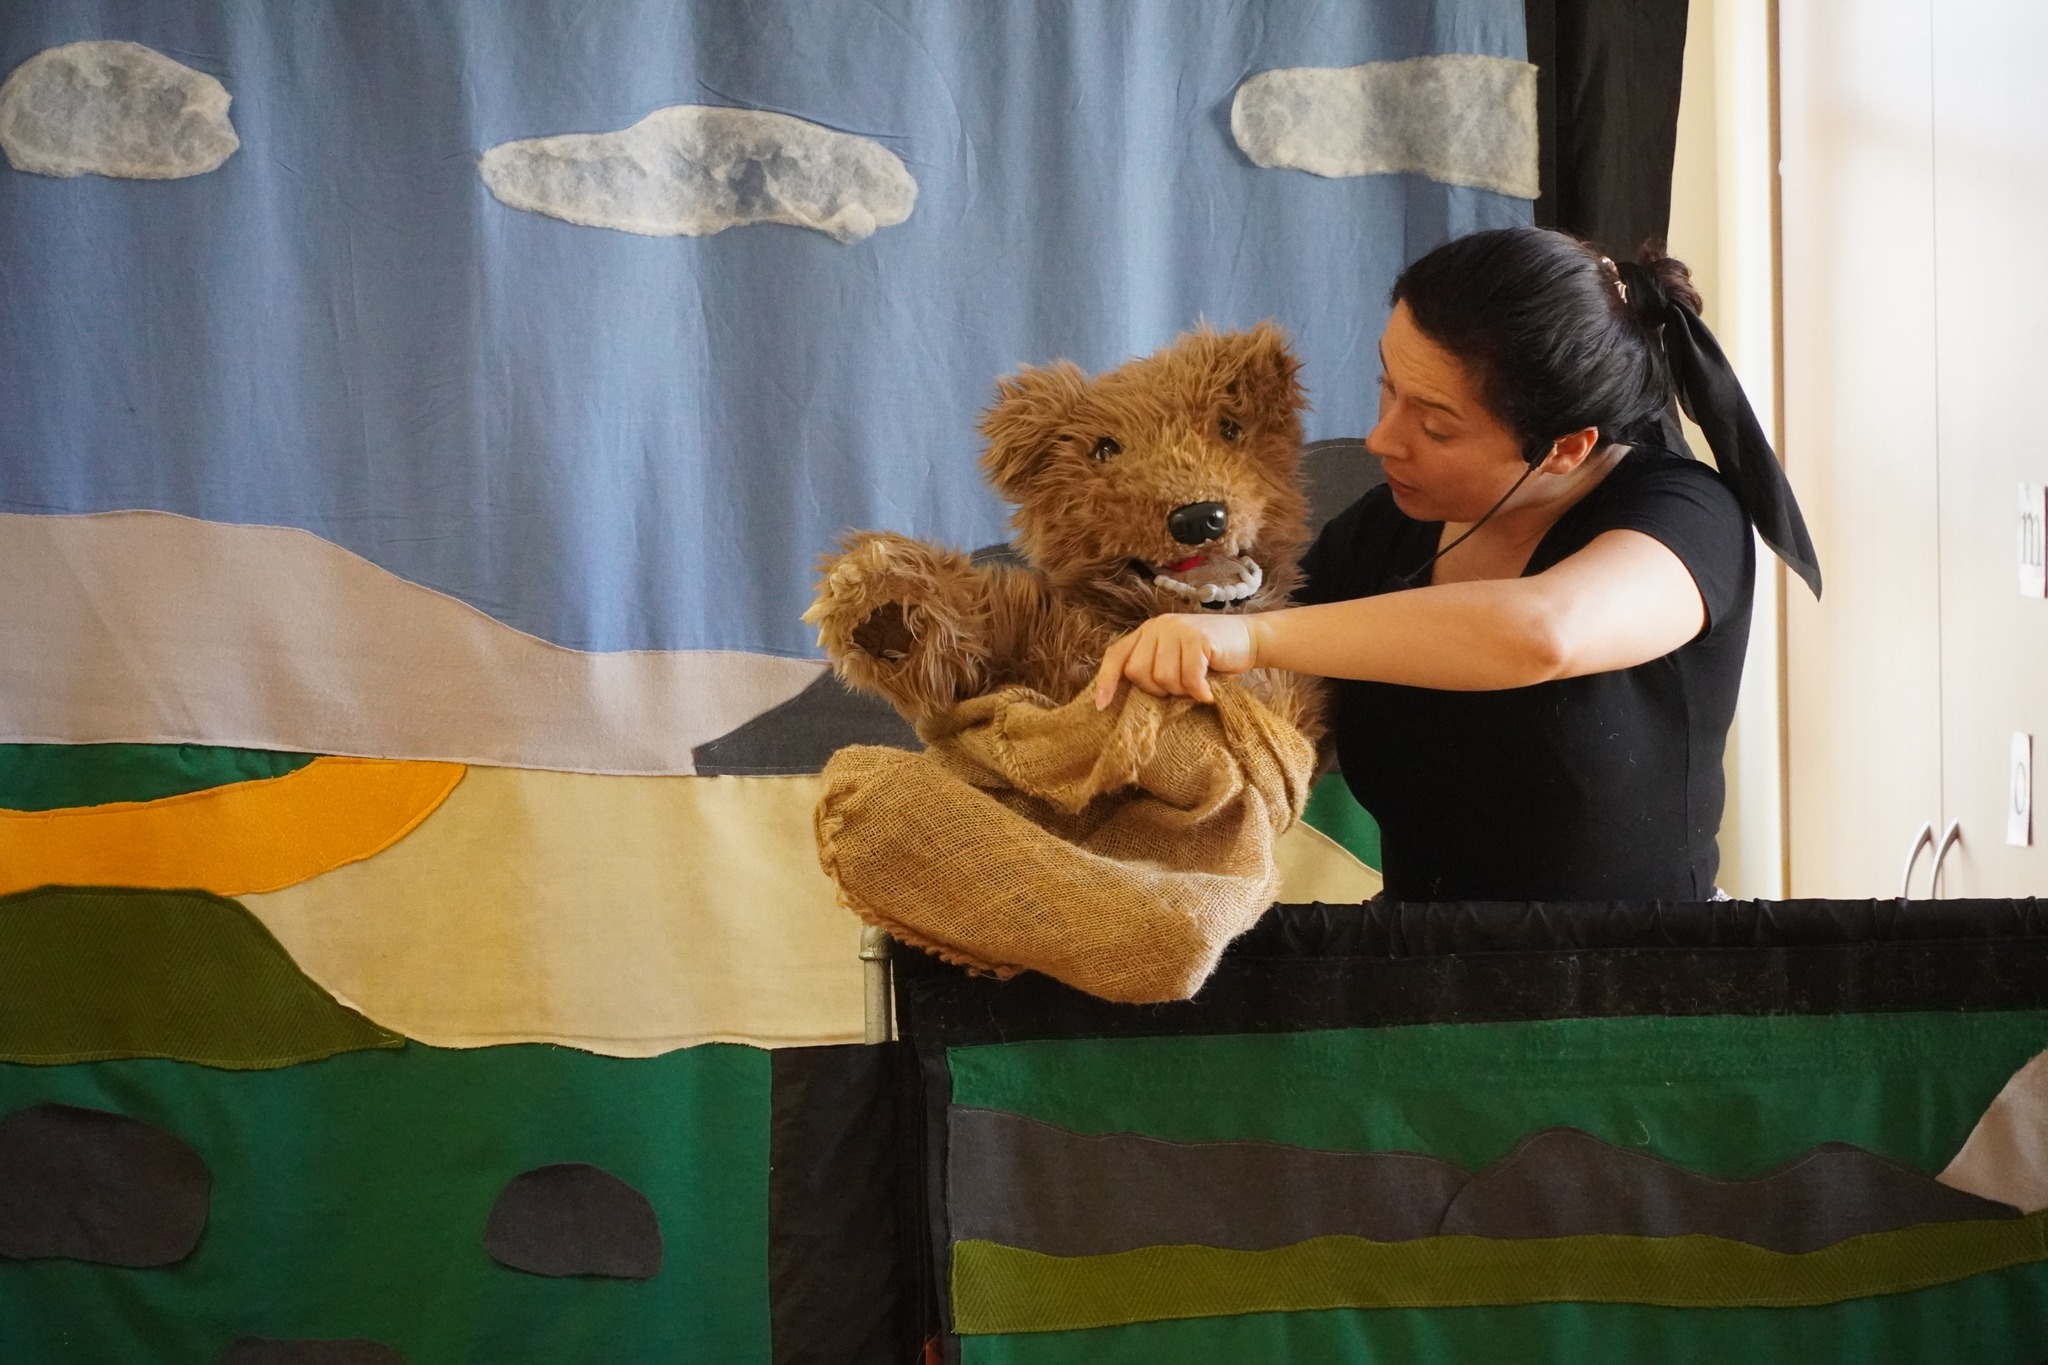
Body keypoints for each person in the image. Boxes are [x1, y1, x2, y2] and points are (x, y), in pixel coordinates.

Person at [1090, 226, 1820, 902]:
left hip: (1640, 971)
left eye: (1435, 426)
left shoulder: (1687, 517)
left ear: (1565, 448)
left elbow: (1542, 632)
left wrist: (1255, 637)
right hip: (1422, 962)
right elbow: (1257, 706)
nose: (1381, 439)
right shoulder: (1382, 532)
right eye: (1387, 385)